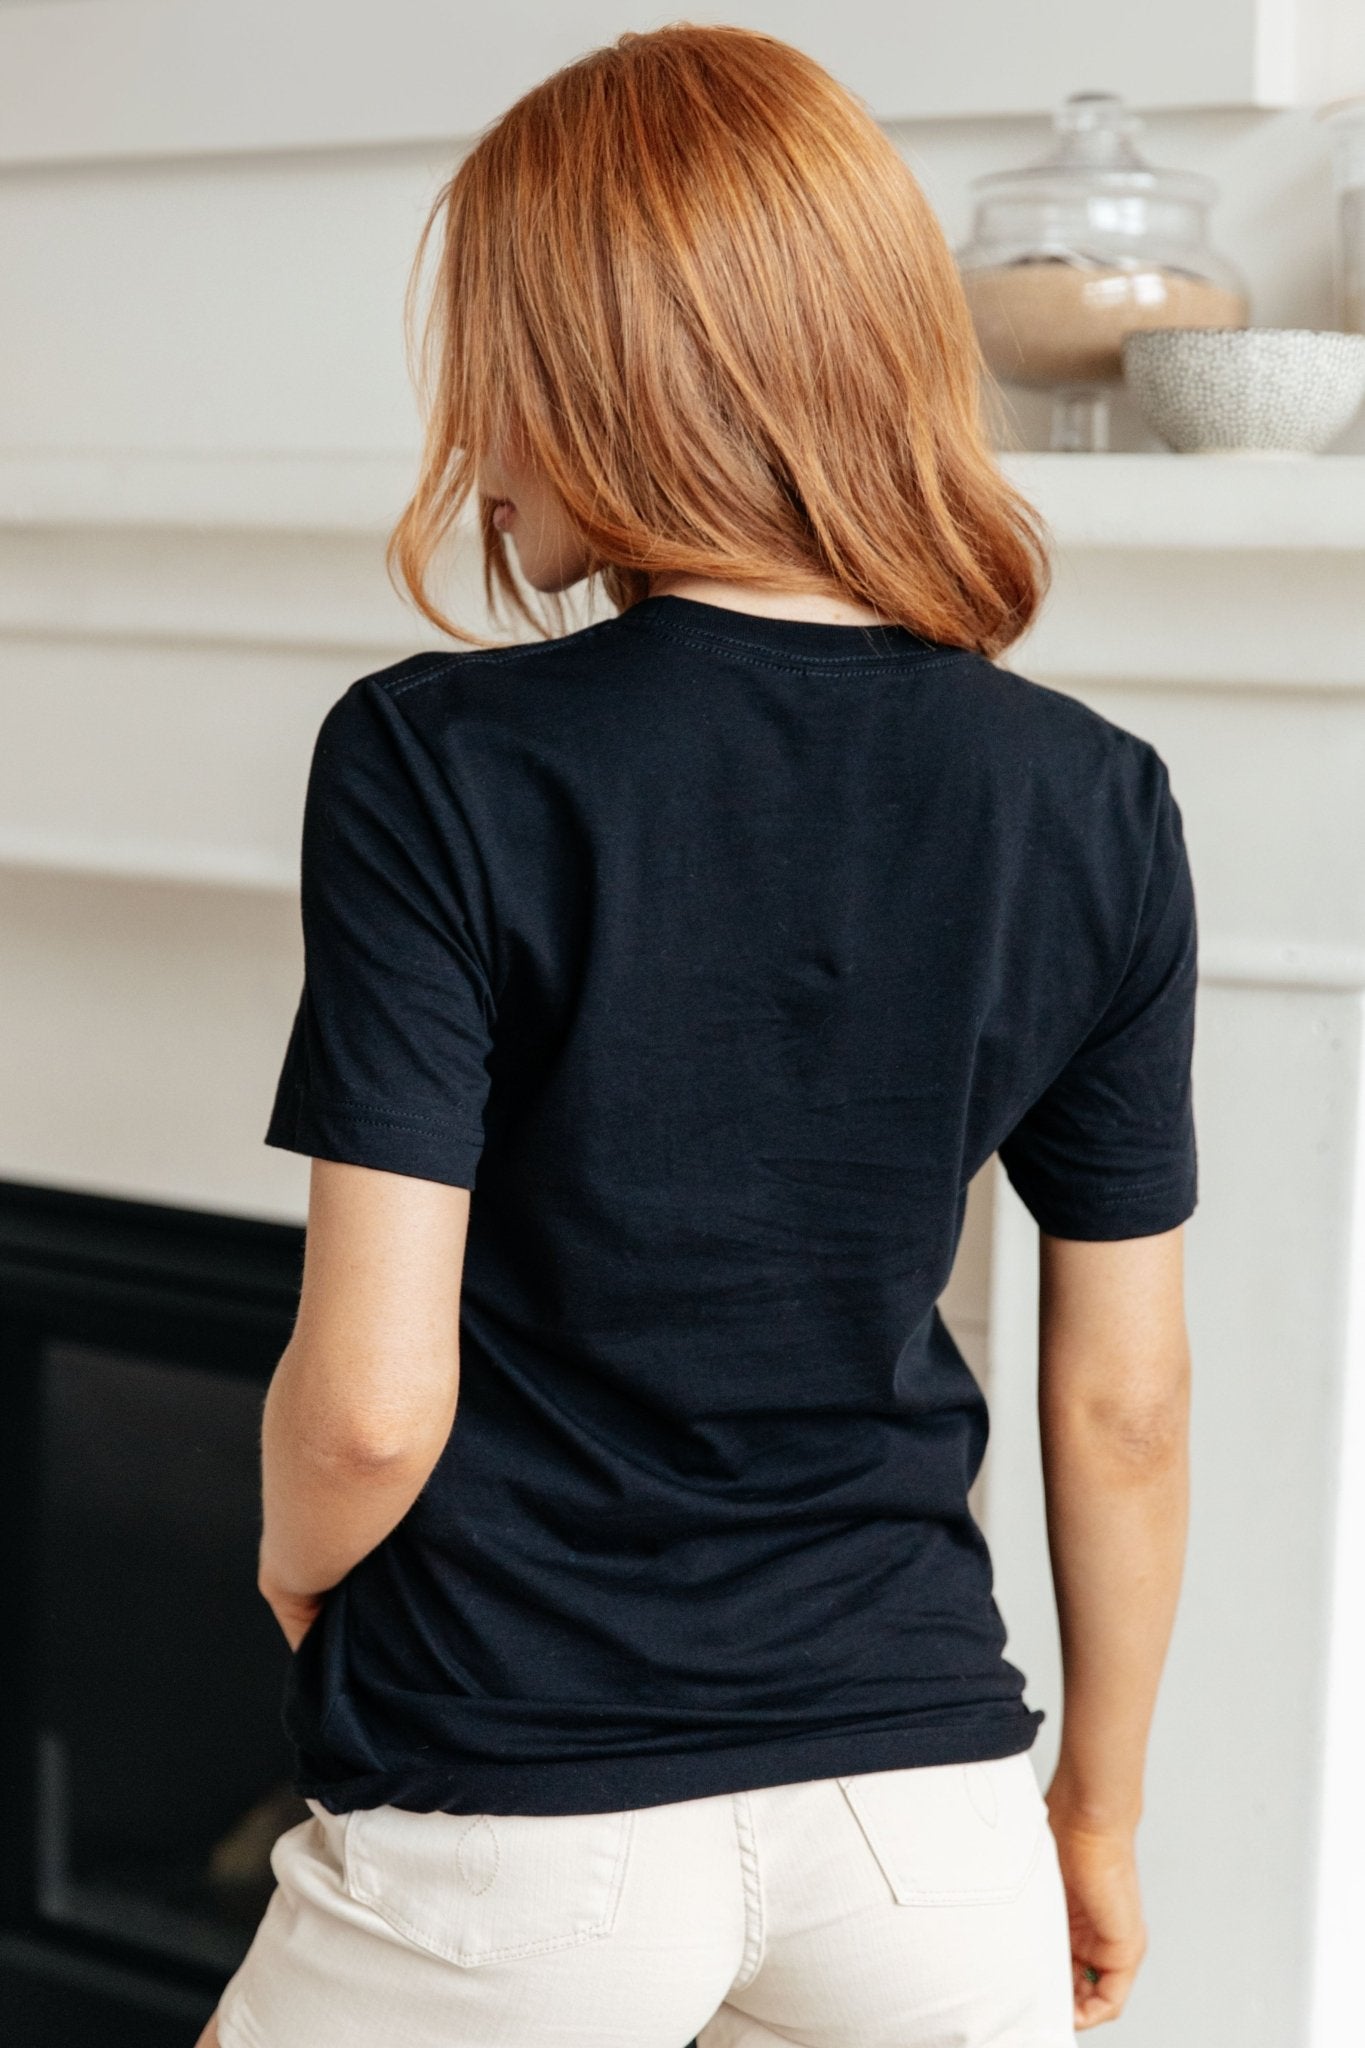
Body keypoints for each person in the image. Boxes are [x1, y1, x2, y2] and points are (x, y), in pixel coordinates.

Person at [202, 23, 1197, 2048]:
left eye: (493, 372)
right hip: (927, 1828)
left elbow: (370, 1408)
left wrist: (301, 1566)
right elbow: (1124, 1403)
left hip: (517, 1807)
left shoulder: (437, 759)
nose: (472, 444)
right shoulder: (1094, 798)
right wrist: (1091, 1813)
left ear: (602, 380)